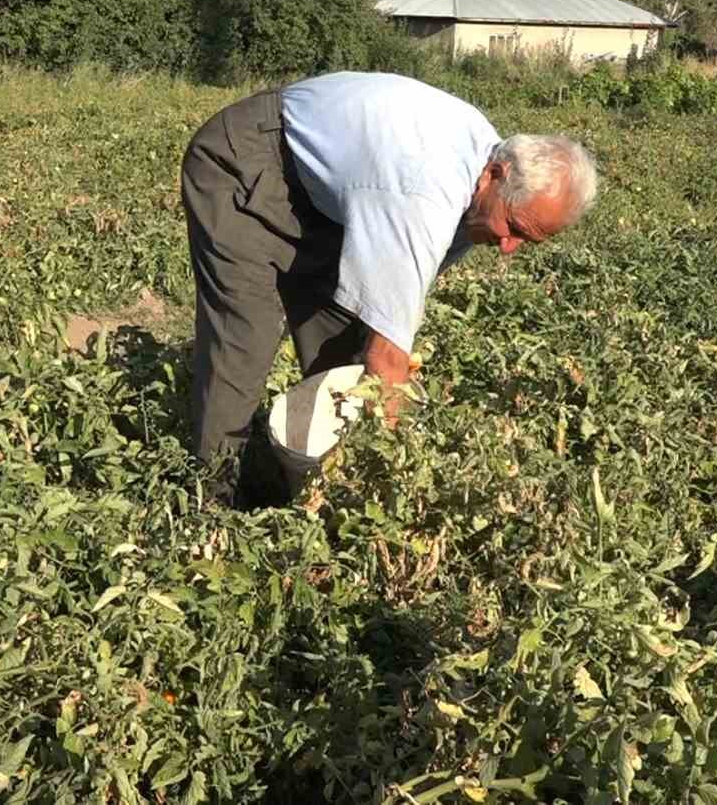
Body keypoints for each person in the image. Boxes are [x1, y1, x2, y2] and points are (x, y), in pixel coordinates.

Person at [179, 71, 598, 502]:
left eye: (527, 239)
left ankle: (318, 489)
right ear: (495, 173)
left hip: (325, 196)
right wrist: (396, 475)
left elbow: (390, 310)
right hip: (250, 160)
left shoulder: (482, 182)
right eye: (512, 228)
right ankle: (214, 505)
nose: (509, 248)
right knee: (242, 339)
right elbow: (388, 355)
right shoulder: (424, 191)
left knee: (342, 349)